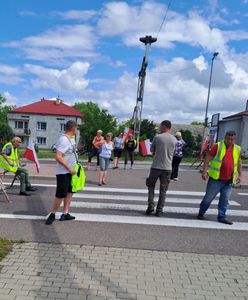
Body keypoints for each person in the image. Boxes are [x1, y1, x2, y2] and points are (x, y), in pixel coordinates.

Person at [197, 131, 242, 225]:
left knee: (225, 200)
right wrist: (204, 172)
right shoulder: (217, 146)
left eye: (232, 139)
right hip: (216, 179)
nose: (230, 141)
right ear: (225, 137)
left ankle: (222, 216)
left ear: (235, 139)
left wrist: (240, 175)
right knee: (208, 199)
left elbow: (239, 162)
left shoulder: (237, 148)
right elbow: (207, 158)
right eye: (228, 138)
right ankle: (201, 212)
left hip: (229, 180)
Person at [45, 120, 78, 225]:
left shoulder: (71, 139)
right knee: (60, 194)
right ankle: (52, 214)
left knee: (69, 192)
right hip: (63, 172)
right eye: (76, 128)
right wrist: (69, 168)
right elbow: (58, 157)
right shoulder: (64, 140)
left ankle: (65, 213)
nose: (77, 130)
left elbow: (71, 154)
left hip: (70, 172)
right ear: (73, 129)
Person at [145, 120, 177, 217]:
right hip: (167, 167)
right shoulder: (174, 139)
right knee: (163, 190)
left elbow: (151, 150)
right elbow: (174, 152)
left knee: (151, 186)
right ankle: (159, 210)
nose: (159, 127)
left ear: (164, 126)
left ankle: (150, 206)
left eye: (160, 126)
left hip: (156, 166)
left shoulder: (157, 137)